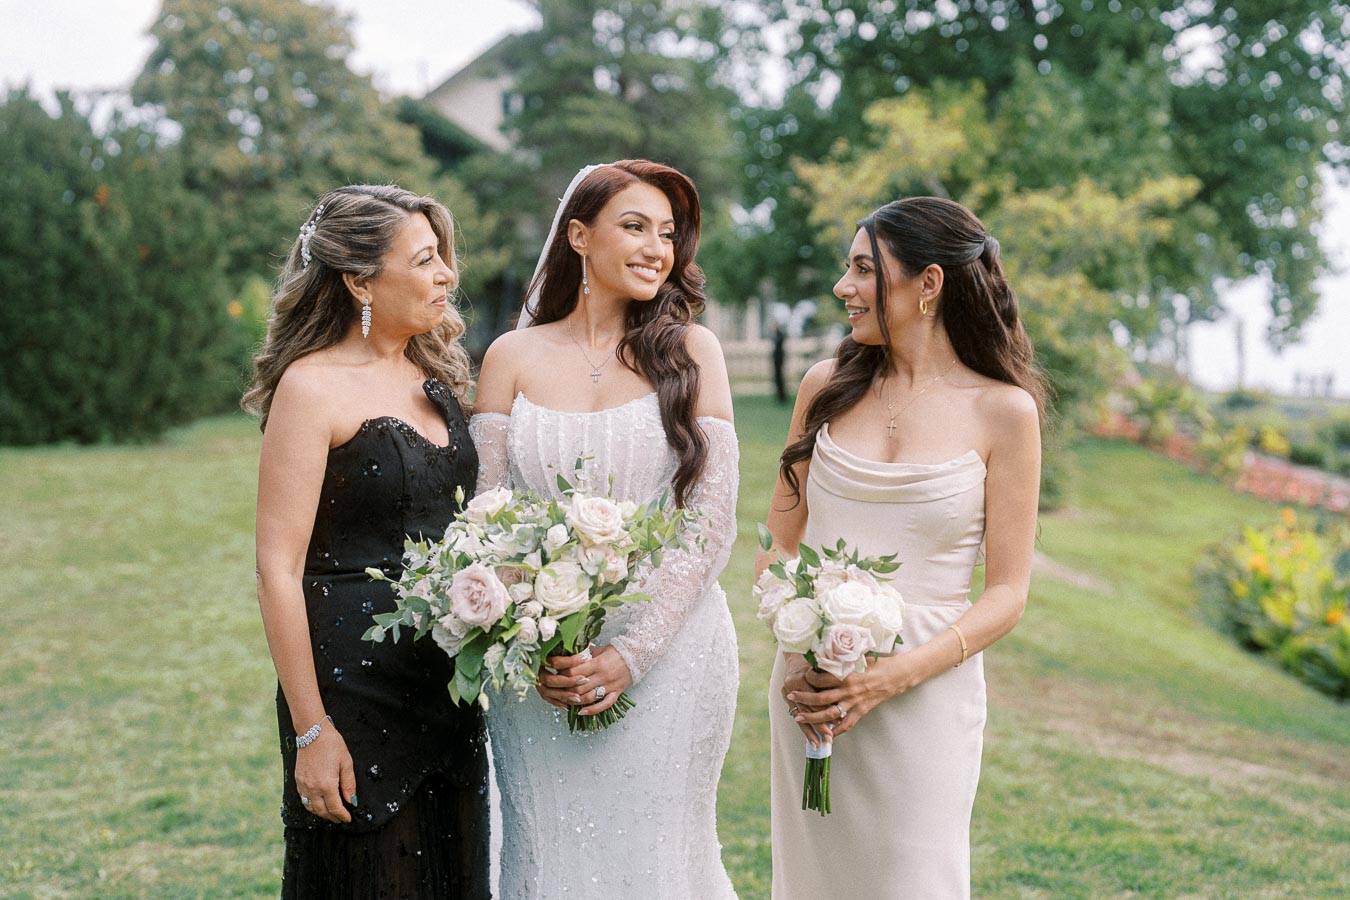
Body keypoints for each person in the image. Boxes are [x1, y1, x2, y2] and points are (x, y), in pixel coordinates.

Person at [761, 197, 1045, 899]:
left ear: (928, 285)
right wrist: (802, 650)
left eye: (864, 269)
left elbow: (1008, 594)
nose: (843, 287)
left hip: (926, 699)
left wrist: (892, 676)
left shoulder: (1004, 413)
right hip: (810, 689)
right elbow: (779, 542)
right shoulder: (823, 389)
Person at [470, 161, 740, 898]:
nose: (658, 247)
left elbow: (709, 524)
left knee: (659, 859)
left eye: (668, 233)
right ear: (579, 236)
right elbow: (487, 513)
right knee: (547, 857)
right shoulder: (509, 358)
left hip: (673, 653)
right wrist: (531, 632)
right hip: (539, 667)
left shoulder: (693, 352)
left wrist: (631, 651)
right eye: (635, 226)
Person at [246, 185, 490, 898]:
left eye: (444, 257)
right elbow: (276, 569)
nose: (447, 273)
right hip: (349, 691)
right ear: (359, 279)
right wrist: (311, 729)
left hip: (447, 688)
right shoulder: (311, 388)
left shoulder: (437, 377)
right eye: (425, 259)